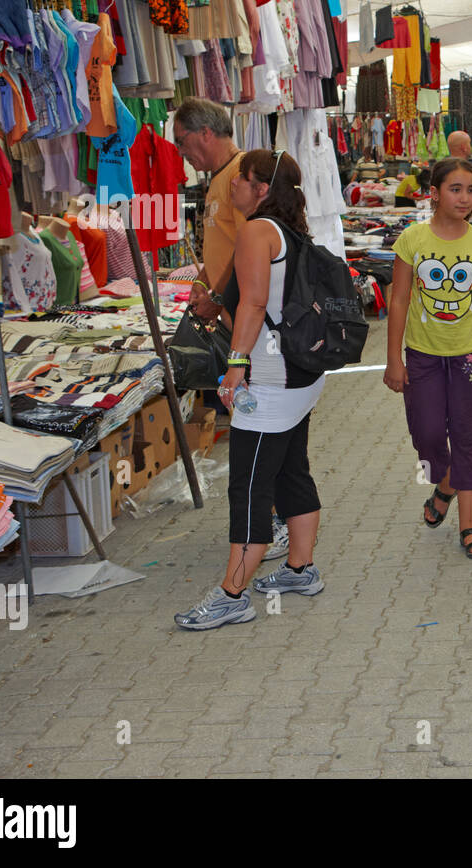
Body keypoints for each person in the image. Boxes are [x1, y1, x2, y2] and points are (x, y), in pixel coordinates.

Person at [174, 150, 325, 630]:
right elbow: (261, 301)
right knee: (290, 471)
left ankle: (232, 594)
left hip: (269, 380)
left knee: (250, 486)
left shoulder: (258, 231)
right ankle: (301, 569)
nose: (233, 183)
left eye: (242, 177)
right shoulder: (290, 231)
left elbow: (257, 303)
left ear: (262, 188)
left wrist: (236, 366)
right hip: (299, 376)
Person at [384, 158, 472, 561]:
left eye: (471, 189)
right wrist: (394, 359)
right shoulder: (411, 240)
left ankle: (468, 523)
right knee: (427, 434)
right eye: (455, 189)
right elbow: (399, 299)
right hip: (423, 356)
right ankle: (444, 482)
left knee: (471, 436)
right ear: (435, 193)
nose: (465, 197)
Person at [173, 98, 244, 322]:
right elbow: (224, 242)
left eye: (181, 142)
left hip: (246, 316)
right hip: (232, 312)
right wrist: (204, 280)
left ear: (205, 132)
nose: (180, 152)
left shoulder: (240, 175)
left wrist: (217, 301)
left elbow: (250, 251)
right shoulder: (219, 175)